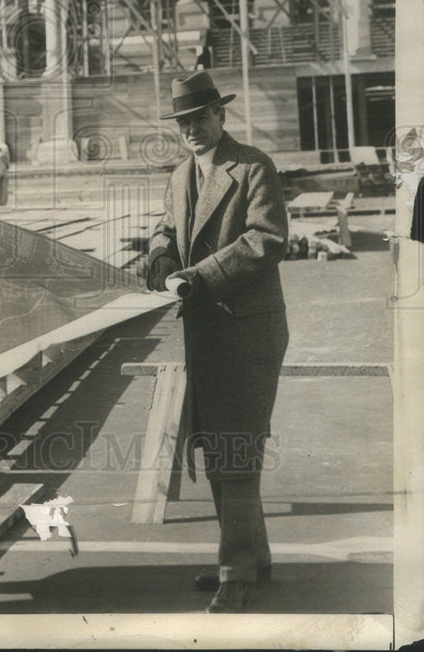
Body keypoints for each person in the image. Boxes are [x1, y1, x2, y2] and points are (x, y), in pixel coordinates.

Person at [146, 70, 289, 614]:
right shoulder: (180, 174)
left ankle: (235, 573)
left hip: (248, 330)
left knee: (236, 451)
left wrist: (197, 276)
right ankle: (254, 558)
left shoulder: (253, 166)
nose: (191, 130)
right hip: (205, 331)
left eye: (199, 119)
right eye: (182, 122)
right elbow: (165, 229)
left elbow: (266, 239)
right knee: (220, 447)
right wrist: (162, 262)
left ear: (220, 116)